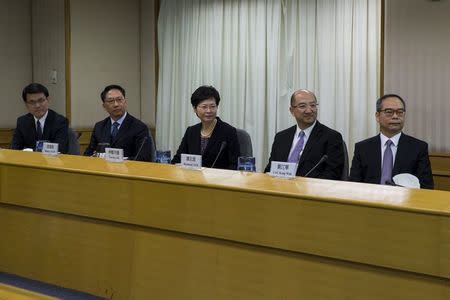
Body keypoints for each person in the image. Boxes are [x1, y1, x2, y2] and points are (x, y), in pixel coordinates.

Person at [349, 94, 434, 189]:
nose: (395, 116)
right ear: (377, 116)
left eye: (400, 112)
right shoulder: (363, 148)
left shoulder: (418, 148)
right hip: (370, 200)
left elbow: (427, 187)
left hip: (404, 202)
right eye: (389, 112)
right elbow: (353, 185)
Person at [264, 89, 344, 179]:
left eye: (313, 105)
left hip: (312, 191)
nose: (309, 110)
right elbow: (270, 170)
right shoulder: (281, 137)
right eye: (302, 106)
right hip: (279, 188)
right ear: (291, 111)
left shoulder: (331, 137)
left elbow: (332, 175)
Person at [171, 85, 240, 170]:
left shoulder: (228, 131)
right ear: (195, 109)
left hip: (219, 180)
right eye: (204, 107)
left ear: (217, 107)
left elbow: (235, 164)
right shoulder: (191, 131)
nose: (209, 111)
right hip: (192, 179)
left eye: (212, 106)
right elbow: (177, 159)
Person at [84, 84, 154, 161]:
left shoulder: (139, 127)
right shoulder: (99, 127)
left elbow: (144, 158)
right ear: (104, 106)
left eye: (119, 99)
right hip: (102, 170)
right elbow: (88, 154)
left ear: (125, 102)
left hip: (128, 171)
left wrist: (117, 159)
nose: (116, 104)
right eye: (111, 101)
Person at [11, 83, 69, 153]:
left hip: (51, 162)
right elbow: (14, 149)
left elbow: (60, 149)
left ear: (48, 100)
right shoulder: (22, 122)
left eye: (41, 100)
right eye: (32, 102)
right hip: (28, 162)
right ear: (26, 104)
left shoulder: (60, 122)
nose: (37, 105)